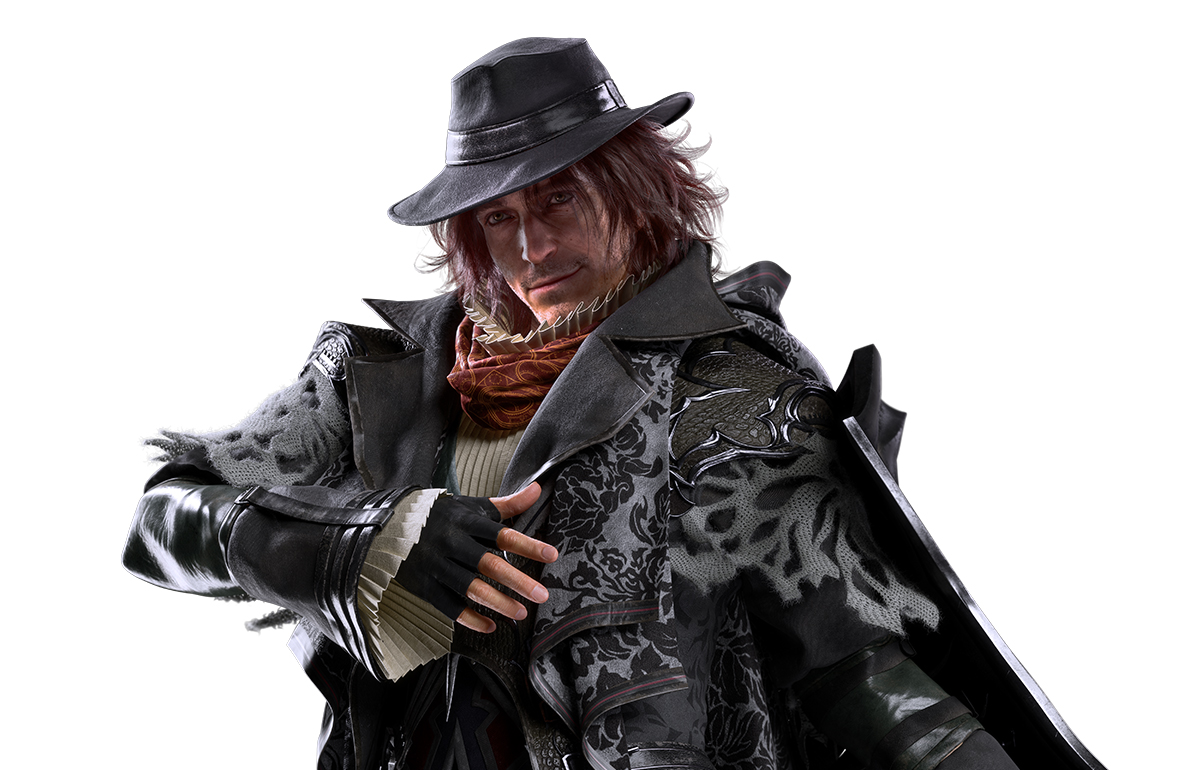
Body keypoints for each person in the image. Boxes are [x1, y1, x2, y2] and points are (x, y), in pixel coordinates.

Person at [123, 38, 1101, 770]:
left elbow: (861, 676)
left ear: (633, 189)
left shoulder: (735, 388)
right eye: (498, 216)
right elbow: (163, 516)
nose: (531, 247)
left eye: (559, 199)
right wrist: (352, 548)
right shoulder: (372, 379)